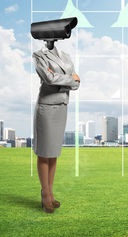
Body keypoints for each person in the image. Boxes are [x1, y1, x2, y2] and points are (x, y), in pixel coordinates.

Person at [32, 44, 80, 213]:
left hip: (62, 106)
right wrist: (70, 79)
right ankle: (45, 194)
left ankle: (50, 192)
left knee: (54, 152)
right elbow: (49, 79)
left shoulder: (66, 56)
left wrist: (62, 79)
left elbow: (77, 83)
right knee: (44, 152)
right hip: (46, 107)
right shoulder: (39, 56)